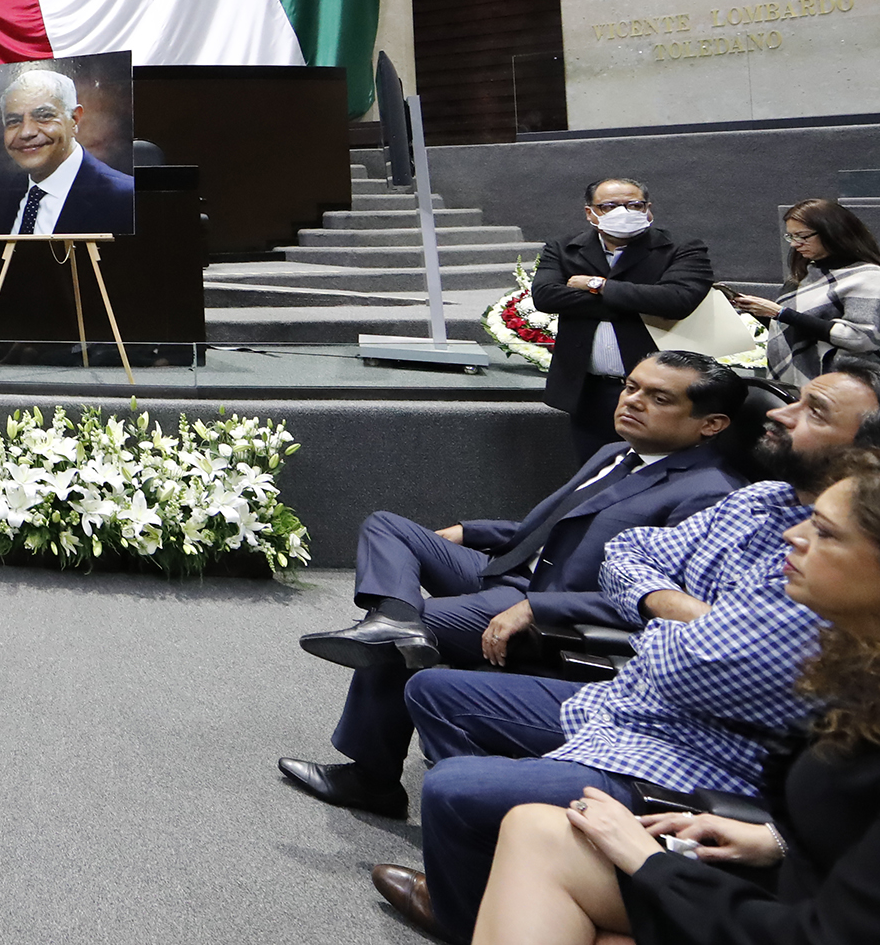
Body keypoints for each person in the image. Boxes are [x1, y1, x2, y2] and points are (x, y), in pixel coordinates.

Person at [366, 361, 880, 943]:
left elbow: (687, 668)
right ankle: (471, 868)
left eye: (814, 412)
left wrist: (655, 628)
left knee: (456, 783)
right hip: (627, 699)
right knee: (432, 688)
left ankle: (466, 895)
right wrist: (682, 613)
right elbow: (626, 552)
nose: (780, 414)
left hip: (686, 747)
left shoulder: (814, 585)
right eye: (630, 387)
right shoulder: (761, 500)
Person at [280, 352, 749, 819]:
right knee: (388, 527)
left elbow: (662, 602)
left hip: (547, 605)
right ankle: (395, 618)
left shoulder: (710, 493)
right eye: (631, 387)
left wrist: (539, 608)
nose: (633, 401)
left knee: (414, 630)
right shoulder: (617, 452)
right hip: (512, 569)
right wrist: (471, 531)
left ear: (711, 424)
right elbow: (553, 526)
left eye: (659, 398)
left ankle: (372, 778)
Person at [473, 451, 880, 945]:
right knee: (534, 834)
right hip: (791, 871)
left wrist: (649, 862)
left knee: (530, 838)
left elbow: (825, 934)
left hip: (790, 909)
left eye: (826, 533)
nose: (793, 535)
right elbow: (627, 553)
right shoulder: (856, 660)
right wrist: (776, 840)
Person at [532, 178, 715, 463]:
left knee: (656, 469)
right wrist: (639, 300)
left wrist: (597, 285)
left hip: (661, 392)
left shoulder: (681, 248)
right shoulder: (564, 247)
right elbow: (546, 297)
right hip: (589, 392)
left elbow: (677, 301)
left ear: (648, 209)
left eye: (634, 205)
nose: (624, 212)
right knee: (596, 472)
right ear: (590, 212)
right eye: (609, 206)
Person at [729, 198, 880, 391]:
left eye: (802, 236)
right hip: (795, 384)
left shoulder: (867, 277)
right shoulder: (804, 275)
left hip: (843, 388)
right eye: (790, 236)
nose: (795, 244)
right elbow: (792, 329)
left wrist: (780, 313)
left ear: (832, 232)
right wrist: (756, 310)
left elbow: (860, 338)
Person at [0, 66, 134, 237]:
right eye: (14, 121)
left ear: (74, 119)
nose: (26, 132)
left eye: (44, 116)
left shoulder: (125, 199)